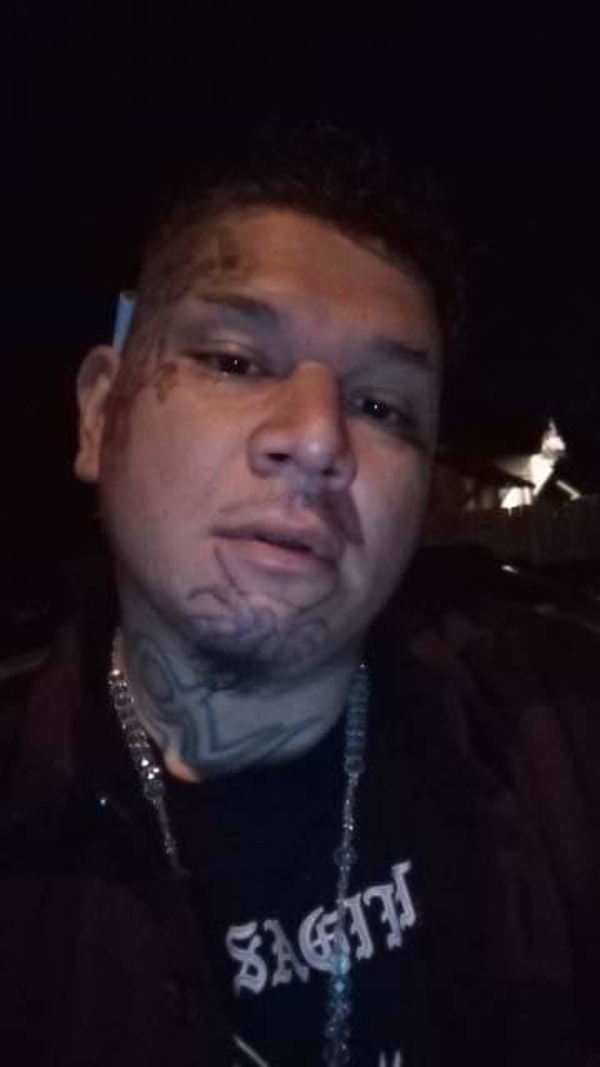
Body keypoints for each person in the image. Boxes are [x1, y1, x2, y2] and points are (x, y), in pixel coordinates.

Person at [1, 121, 599, 1067]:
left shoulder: (553, 736)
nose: (318, 437)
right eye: (234, 361)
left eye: (382, 406)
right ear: (100, 414)